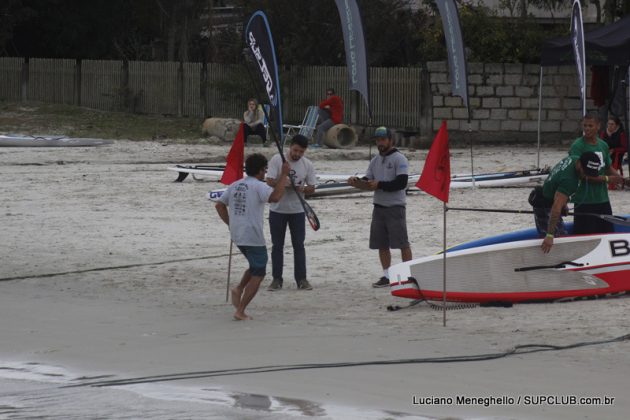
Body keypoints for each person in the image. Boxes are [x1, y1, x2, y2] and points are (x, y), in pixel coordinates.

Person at [215, 153, 290, 320]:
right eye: (265, 170)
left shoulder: (235, 185)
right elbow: (276, 198)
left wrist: (230, 224)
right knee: (259, 272)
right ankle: (240, 310)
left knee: (255, 264)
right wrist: (284, 175)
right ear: (260, 171)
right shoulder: (258, 186)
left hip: (238, 234)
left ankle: (239, 287)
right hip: (252, 235)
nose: (265, 173)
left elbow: (219, 205)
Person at [347, 126, 412, 288]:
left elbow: (401, 183)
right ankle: (387, 276)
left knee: (402, 243)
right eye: (377, 140)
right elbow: (368, 179)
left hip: (395, 207)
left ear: (390, 140)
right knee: (381, 244)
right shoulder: (375, 160)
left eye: (383, 139)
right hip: (379, 207)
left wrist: (380, 184)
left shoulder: (400, 159)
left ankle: (409, 276)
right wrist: (357, 181)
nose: (380, 143)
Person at [265, 134, 317, 291]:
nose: (297, 154)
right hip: (277, 210)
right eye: (295, 150)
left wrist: (301, 188)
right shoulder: (276, 160)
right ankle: (276, 279)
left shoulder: (307, 164)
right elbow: (269, 180)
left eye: (301, 152)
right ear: (290, 147)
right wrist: (283, 179)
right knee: (277, 246)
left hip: (297, 211)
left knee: (299, 245)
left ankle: (301, 279)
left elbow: (312, 188)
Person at [529, 152, 601, 253]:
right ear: (579, 163)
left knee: (561, 236)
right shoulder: (570, 181)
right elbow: (555, 209)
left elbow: (557, 181)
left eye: (590, 173)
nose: (587, 176)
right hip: (545, 206)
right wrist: (550, 235)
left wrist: (564, 203)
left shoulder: (573, 158)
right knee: (559, 240)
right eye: (586, 172)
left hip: (549, 196)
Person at [568, 112, 623, 234]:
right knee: (584, 237)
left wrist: (622, 179)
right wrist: (608, 179)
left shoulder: (603, 145)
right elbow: (583, 175)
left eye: (590, 126)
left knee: (607, 234)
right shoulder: (577, 146)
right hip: (584, 201)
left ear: (598, 126)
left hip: (603, 200)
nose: (587, 129)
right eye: (585, 125)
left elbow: (608, 168)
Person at [600, 115, 627, 189]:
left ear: (617, 125)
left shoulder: (621, 134)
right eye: (608, 124)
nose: (610, 126)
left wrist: (614, 150)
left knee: (612, 160)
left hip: (616, 157)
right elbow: (600, 144)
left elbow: (624, 148)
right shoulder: (604, 133)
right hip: (605, 155)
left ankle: (613, 182)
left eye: (612, 124)